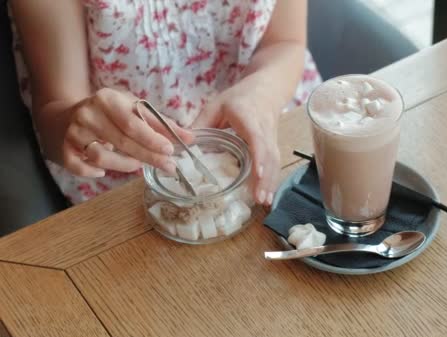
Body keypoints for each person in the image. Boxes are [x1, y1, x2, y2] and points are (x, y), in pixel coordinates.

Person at [9, 0, 321, 205]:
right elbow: (56, 113)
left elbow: (286, 42)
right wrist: (76, 126)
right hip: (134, 191)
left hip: (280, 134)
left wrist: (259, 95)